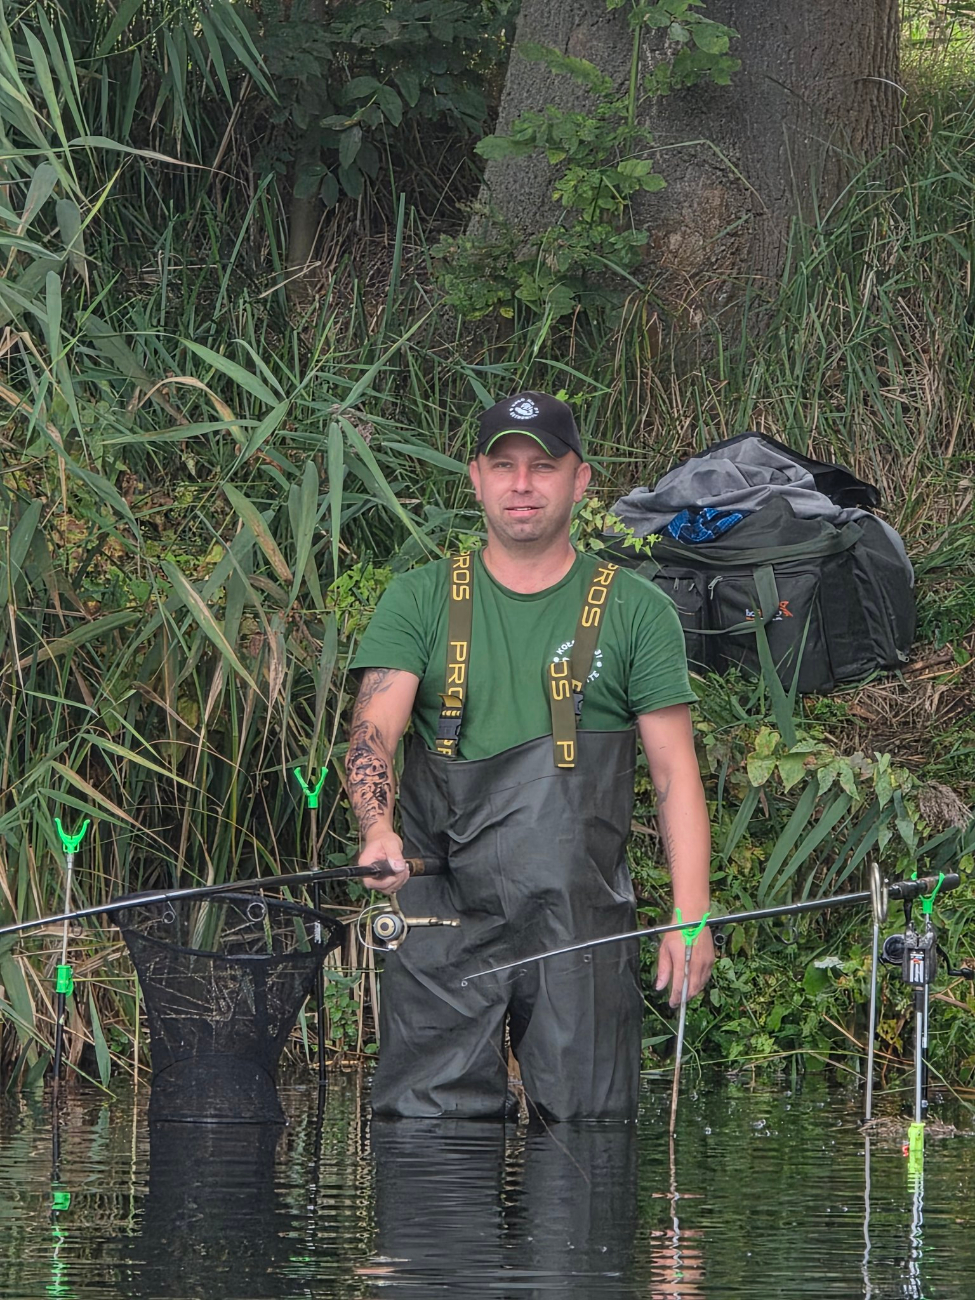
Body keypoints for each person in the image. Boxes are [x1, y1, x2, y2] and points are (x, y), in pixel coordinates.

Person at [347, 391, 713, 1120]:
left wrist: (691, 914)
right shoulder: (418, 599)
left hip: (579, 928)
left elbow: (675, 775)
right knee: (427, 1138)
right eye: (503, 466)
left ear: (580, 481)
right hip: (441, 916)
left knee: (589, 1132)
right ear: (476, 478)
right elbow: (372, 734)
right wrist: (377, 830)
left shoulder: (637, 609)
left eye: (543, 467)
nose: (522, 484)